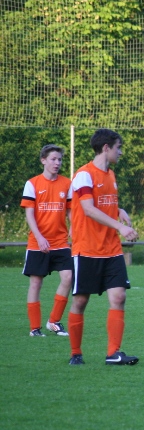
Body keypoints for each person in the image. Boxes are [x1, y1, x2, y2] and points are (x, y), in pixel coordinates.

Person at [67, 129, 140, 366]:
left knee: (119, 296)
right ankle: (76, 353)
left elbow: (103, 203)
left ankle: (113, 353)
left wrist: (119, 210)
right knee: (80, 302)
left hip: (111, 249)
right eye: (118, 147)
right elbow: (88, 208)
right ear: (106, 148)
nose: (121, 152)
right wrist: (120, 227)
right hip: (87, 249)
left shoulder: (111, 175)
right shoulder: (84, 175)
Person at [20, 144, 73, 337]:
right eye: (53, 159)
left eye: (60, 159)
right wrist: (40, 237)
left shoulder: (67, 183)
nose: (57, 163)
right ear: (43, 160)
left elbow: (70, 210)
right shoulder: (32, 184)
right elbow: (29, 214)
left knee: (68, 277)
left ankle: (54, 322)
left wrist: (73, 227)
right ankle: (35, 328)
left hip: (60, 242)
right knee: (36, 283)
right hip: (38, 243)